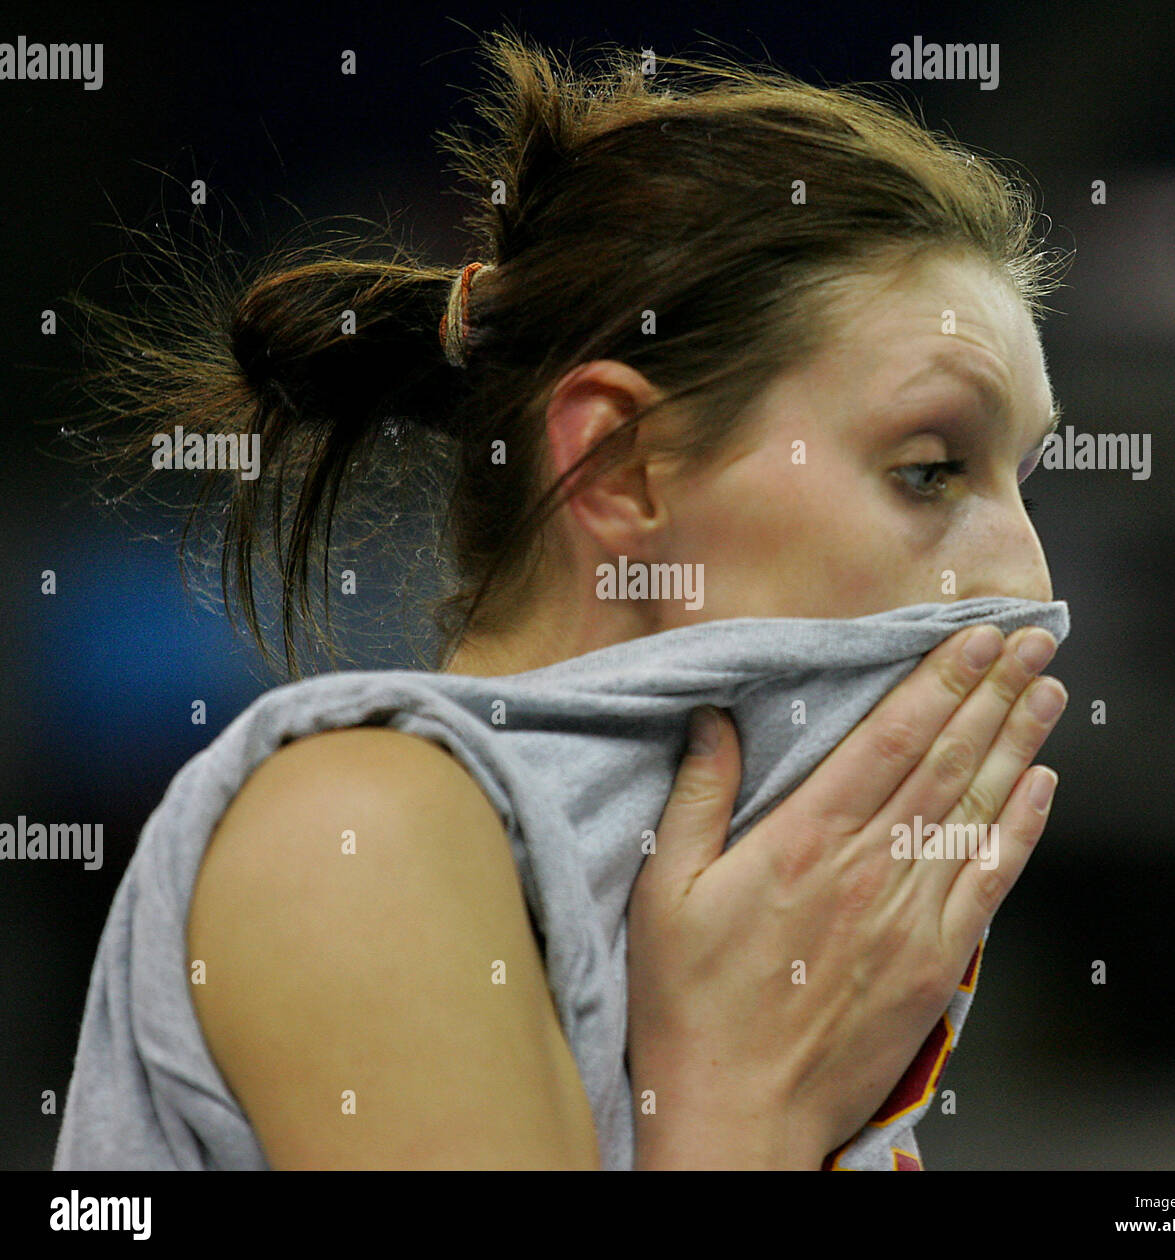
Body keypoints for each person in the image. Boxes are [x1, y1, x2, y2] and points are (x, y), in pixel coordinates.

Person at [53, 29, 1070, 1171]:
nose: (1023, 586)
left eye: (1019, 479)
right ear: (622, 466)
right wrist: (739, 1123)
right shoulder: (354, 833)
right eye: (928, 469)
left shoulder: (797, 982)